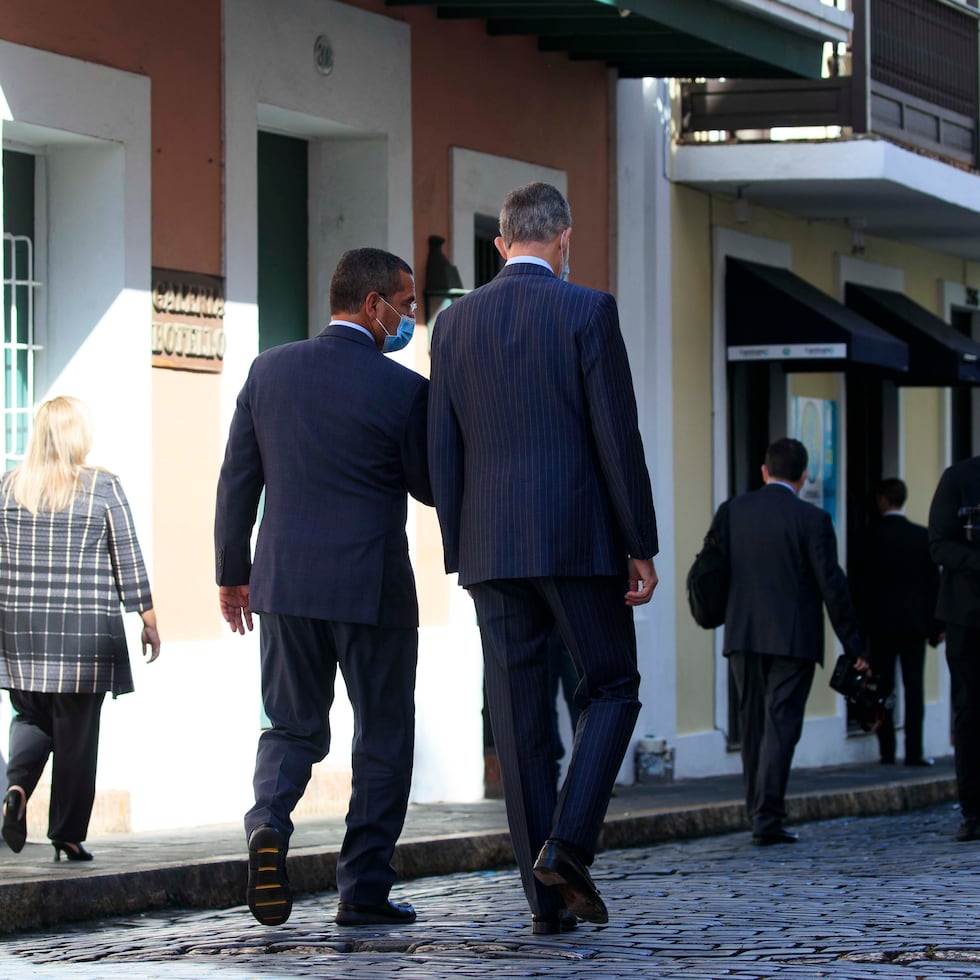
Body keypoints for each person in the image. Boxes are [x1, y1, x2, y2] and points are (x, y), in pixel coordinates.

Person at [428, 182, 658, 934]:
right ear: (564, 239)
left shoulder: (453, 323)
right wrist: (640, 544)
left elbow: (443, 449)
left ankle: (546, 905)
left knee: (520, 719)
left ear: (501, 244)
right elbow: (615, 438)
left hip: (490, 548)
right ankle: (567, 844)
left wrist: (459, 548)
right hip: (576, 539)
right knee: (614, 685)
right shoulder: (587, 309)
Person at [214, 247, 432, 927]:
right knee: (383, 735)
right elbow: (428, 486)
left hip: (283, 584)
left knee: (289, 726)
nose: (411, 318)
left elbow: (237, 481)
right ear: (374, 305)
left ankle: (269, 824)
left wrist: (232, 574)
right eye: (408, 304)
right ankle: (363, 887)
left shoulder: (268, 372)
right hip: (372, 589)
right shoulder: (403, 389)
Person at [0, 396, 160, 861]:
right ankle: (67, 833)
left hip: (23, 632)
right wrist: (147, 618)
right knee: (77, 735)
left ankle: (16, 786)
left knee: (30, 717)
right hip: (82, 637)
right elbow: (125, 553)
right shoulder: (101, 486)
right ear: (78, 436)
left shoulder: (10, 487)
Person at [714, 437, 868, 846]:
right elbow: (832, 586)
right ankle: (767, 817)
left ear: (764, 471)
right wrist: (855, 647)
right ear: (803, 477)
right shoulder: (812, 520)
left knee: (750, 726)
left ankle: (757, 812)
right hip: (793, 637)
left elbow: (713, 567)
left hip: (743, 634)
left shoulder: (733, 511)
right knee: (781, 726)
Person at [852, 478, 942, 766]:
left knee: (883, 688)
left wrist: (858, 630)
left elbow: (858, 587)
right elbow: (934, 585)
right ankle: (913, 751)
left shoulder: (867, 536)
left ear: (882, 500)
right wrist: (936, 627)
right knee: (914, 689)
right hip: (914, 626)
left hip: (880, 627)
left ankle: (886, 750)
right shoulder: (921, 537)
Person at [928, 456, 980, 842]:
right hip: (968, 616)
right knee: (970, 710)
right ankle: (974, 811)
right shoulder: (960, 478)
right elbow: (939, 544)